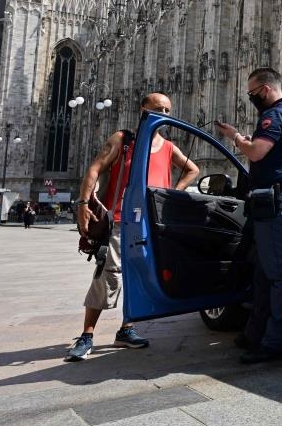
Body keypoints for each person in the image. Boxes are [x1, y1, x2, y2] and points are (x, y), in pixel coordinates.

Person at [64, 92, 200, 362]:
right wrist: (83, 203)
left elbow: (192, 169)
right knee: (108, 275)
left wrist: (171, 194)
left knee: (140, 276)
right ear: (143, 109)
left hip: (150, 223)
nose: (163, 114)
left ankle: (126, 330)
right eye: (157, 108)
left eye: (167, 110)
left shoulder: (168, 147)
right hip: (120, 220)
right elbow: (94, 169)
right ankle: (87, 335)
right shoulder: (124, 140)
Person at [215, 67, 282, 364]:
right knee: (264, 272)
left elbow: (256, 152)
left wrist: (235, 137)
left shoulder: (274, 116)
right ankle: (255, 333)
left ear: (266, 89)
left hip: (276, 203)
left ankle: (275, 343)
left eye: (252, 93)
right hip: (281, 201)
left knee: (279, 276)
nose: (251, 98)